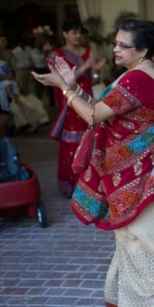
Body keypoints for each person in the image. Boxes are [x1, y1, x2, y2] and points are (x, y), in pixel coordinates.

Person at [33, 19, 154, 307]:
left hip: (145, 175)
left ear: (144, 50)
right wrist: (71, 85)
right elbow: (108, 110)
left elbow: (94, 116)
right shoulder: (143, 73)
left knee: (143, 242)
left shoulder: (137, 79)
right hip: (148, 168)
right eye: (115, 43)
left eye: (124, 45)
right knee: (143, 242)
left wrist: (65, 90)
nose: (115, 49)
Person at [46, 19, 105, 197]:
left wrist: (95, 70)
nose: (78, 36)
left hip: (87, 96)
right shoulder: (56, 55)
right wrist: (86, 65)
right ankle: (73, 186)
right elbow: (60, 80)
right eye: (73, 32)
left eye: (79, 32)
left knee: (93, 137)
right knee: (74, 142)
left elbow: (94, 77)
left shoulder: (89, 51)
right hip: (70, 101)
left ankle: (93, 186)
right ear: (64, 34)